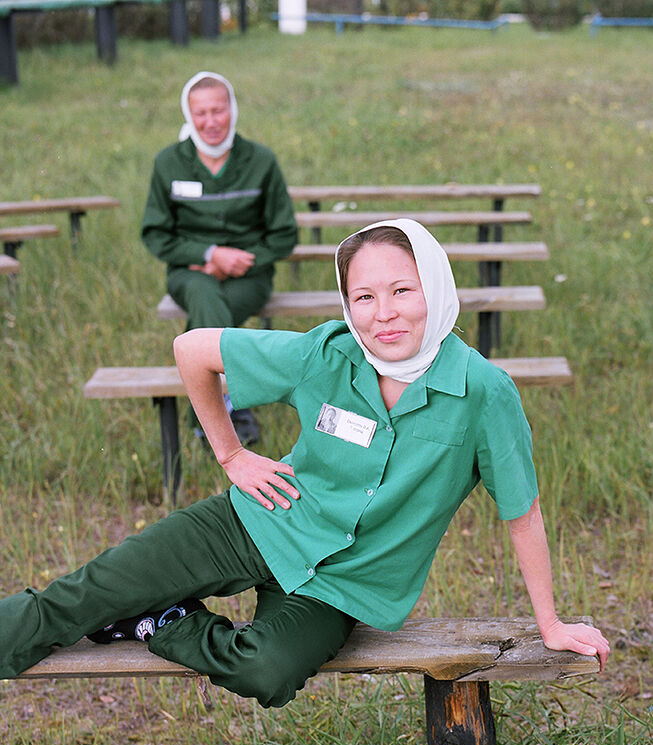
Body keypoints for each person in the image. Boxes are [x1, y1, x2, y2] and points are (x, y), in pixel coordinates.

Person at [0, 219, 610, 706]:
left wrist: (550, 623)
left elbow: (522, 512)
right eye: (363, 297)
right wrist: (232, 454)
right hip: (261, 518)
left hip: (345, 583)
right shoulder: (328, 353)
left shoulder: (484, 393)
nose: (383, 313)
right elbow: (192, 349)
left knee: (267, 671)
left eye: (402, 290)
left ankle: (162, 623)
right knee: (79, 596)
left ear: (436, 286)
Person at [141, 70, 299, 446]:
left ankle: (206, 417)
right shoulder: (169, 162)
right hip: (190, 273)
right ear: (189, 115)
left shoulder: (261, 161)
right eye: (201, 113)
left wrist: (241, 259)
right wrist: (208, 254)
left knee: (209, 312)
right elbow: (156, 233)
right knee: (204, 294)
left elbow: (283, 235)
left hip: (250, 275)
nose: (210, 122)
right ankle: (233, 408)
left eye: (218, 110)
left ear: (233, 110)